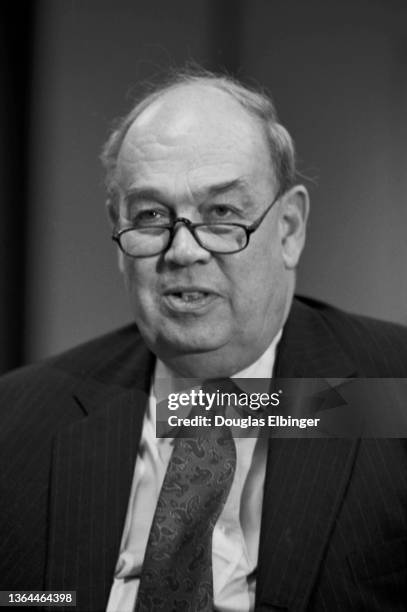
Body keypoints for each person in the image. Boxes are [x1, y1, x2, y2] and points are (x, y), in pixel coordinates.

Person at [0, 68, 406, 612]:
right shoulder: (19, 421)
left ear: (288, 229)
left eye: (221, 214)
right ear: (118, 237)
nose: (183, 251)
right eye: (150, 216)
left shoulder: (392, 394)